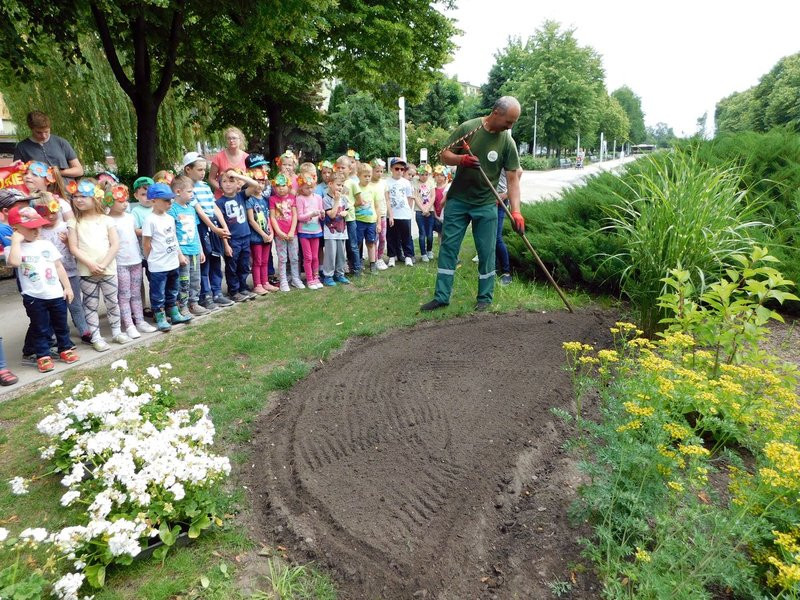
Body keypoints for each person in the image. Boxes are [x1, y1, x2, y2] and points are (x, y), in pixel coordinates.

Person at [420, 96, 525, 312]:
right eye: (508, 121)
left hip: (486, 204)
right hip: (458, 201)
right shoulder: (469, 128)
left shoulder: (507, 142)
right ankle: (441, 297)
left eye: (513, 123)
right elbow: (444, 155)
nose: (510, 127)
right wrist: (462, 160)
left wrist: (516, 212)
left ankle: (485, 297)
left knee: (487, 251)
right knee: (448, 248)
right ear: (496, 113)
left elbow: (513, 180)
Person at [5, 205, 79, 372]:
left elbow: (58, 266)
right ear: (16, 229)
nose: (36, 230)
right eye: (30, 227)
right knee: (40, 327)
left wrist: (67, 287)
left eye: (38, 226)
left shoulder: (46, 244)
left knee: (61, 324)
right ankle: (42, 355)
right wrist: (16, 241)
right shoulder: (14, 248)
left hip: (55, 294)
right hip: (34, 297)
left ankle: (64, 348)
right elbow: (15, 262)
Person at [67, 179, 130, 351]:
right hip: (87, 272)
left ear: (95, 197)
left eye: (83, 196)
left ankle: (117, 332)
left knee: (112, 302)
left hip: (108, 270)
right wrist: (91, 264)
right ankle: (96, 337)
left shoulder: (106, 220)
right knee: (90, 305)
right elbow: (73, 247)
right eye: (75, 196)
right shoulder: (74, 222)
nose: (78, 199)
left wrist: (103, 264)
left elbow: (115, 244)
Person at [33, 192, 92, 344]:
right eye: (45, 214)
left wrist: (67, 242)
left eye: (53, 211)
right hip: (50, 276)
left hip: (70, 272)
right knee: (55, 307)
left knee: (75, 303)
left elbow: (76, 248)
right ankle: (55, 336)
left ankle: (84, 329)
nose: (51, 216)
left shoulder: (65, 227)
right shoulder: (38, 232)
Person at [181, 151, 232, 309]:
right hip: (201, 227)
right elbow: (199, 211)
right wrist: (214, 228)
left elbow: (213, 206)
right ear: (188, 169)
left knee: (216, 259)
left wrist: (223, 225)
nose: (203, 173)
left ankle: (217, 292)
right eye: (200, 169)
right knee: (205, 262)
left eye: (204, 169)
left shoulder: (204, 186)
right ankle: (205, 295)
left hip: (213, 225)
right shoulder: (187, 190)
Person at [142, 183, 191, 331]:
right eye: (166, 200)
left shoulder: (169, 218)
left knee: (172, 289)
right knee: (158, 292)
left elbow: (174, 238)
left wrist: (179, 255)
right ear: (153, 201)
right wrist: (151, 259)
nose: (170, 203)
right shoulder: (150, 220)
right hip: (158, 265)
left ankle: (173, 312)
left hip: (172, 263)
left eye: (170, 199)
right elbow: (146, 243)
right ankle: (160, 316)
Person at [107, 184, 155, 338]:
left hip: (136, 260)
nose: (125, 204)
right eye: (120, 201)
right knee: (124, 295)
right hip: (120, 262)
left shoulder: (130, 217)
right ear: (109, 201)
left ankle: (140, 321)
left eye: (125, 200)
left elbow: (136, 234)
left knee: (136, 294)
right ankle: (129, 324)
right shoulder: (108, 220)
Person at [169, 175, 208, 315]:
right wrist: (179, 254)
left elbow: (196, 231)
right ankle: (183, 306)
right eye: (190, 191)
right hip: (183, 252)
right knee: (184, 280)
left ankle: (194, 303)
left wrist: (201, 250)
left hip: (195, 250)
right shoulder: (172, 210)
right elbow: (172, 234)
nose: (192, 194)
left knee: (195, 279)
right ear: (178, 192)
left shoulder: (191, 209)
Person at [217, 170, 258, 302]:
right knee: (232, 266)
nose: (228, 184)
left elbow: (255, 185)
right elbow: (221, 227)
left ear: (237, 184)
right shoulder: (219, 203)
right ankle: (234, 290)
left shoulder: (241, 196)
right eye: (224, 181)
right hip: (232, 240)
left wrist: (237, 175)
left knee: (244, 265)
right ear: (220, 185)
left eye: (231, 181)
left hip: (245, 237)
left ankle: (243, 287)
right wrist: (226, 245)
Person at [13, 111, 84, 178]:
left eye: (46, 131)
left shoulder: (61, 142)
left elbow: (79, 170)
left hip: (66, 186)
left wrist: (57, 173)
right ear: (31, 129)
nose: (43, 136)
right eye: (39, 132)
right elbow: (17, 174)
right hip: (38, 186)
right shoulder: (22, 147)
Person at [244, 156, 277, 295]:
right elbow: (251, 220)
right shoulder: (250, 200)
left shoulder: (265, 199)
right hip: (256, 237)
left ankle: (265, 282)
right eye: (257, 182)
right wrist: (263, 234)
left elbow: (269, 217)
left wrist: (271, 233)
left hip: (267, 235)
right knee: (257, 261)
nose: (259, 185)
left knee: (265, 260)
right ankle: (257, 284)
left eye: (262, 182)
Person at [269, 173, 302, 292]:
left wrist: (292, 231)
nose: (281, 188)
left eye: (283, 185)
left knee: (294, 258)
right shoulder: (272, 199)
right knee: (282, 259)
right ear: (274, 187)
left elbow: (295, 215)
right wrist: (278, 232)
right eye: (278, 186)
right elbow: (272, 217)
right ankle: (283, 280)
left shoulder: (292, 198)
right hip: (280, 235)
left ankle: (295, 278)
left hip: (293, 234)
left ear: (288, 186)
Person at [295, 173, 325, 289]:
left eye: (312, 187)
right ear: (301, 187)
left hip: (316, 231)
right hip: (304, 232)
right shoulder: (300, 199)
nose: (310, 190)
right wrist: (310, 214)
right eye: (307, 188)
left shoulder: (317, 198)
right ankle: (309, 279)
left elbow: (321, 215)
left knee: (315, 256)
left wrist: (322, 214)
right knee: (308, 257)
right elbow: (299, 217)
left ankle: (316, 277)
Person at [321, 173, 350, 286]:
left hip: (342, 232)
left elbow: (347, 210)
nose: (340, 187)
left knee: (341, 254)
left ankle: (340, 274)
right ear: (330, 184)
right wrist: (337, 201)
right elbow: (332, 215)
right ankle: (328, 276)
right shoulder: (326, 199)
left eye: (342, 185)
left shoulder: (344, 198)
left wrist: (346, 212)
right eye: (338, 185)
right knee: (330, 255)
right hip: (330, 233)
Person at [386, 157, 415, 267]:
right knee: (391, 236)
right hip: (392, 214)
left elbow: (409, 197)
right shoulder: (387, 182)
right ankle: (392, 256)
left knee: (406, 236)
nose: (399, 171)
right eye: (397, 169)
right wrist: (390, 214)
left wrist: (409, 211)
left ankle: (408, 256)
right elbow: (387, 199)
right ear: (391, 169)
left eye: (402, 169)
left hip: (404, 214)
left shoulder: (406, 182)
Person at [353, 163, 380, 273]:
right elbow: (351, 204)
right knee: (358, 242)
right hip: (359, 220)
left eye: (369, 176)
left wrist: (378, 223)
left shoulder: (373, 189)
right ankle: (358, 263)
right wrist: (358, 203)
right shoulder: (355, 188)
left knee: (371, 242)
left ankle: (373, 264)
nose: (368, 178)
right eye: (365, 176)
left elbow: (377, 206)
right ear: (358, 175)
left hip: (371, 221)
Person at [208, 127, 249, 199]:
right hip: (222, 197)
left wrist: (243, 184)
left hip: (241, 196)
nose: (231, 140)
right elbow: (211, 179)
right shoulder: (218, 157)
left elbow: (250, 177)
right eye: (229, 138)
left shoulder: (247, 157)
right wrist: (223, 189)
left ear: (240, 140)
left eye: (234, 138)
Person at [368, 159, 389, 270]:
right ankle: (374, 259)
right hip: (372, 216)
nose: (379, 173)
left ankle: (380, 257)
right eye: (377, 171)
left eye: (381, 171)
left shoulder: (384, 183)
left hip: (383, 214)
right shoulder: (368, 183)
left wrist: (390, 214)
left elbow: (387, 199)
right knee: (374, 239)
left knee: (382, 238)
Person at [495, 169, 513, 286]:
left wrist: (506, 194)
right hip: (486, 199)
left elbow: (519, 172)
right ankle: (494, 269)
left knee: (497, 237)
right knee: (489, 238)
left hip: (500, 200)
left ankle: (506, 273)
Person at [414, 164, 435, 262]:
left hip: (430, 211)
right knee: (422, 233)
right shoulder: (415, 183)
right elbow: (416, 197)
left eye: (426, 174)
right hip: (419, 212)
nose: (424, 176)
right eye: (422, 174)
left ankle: (429, 250)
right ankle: (423, 254)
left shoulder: (431, 182)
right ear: (418, 174)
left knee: (430, 234)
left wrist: (428, 208)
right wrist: (423, 209)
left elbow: (433, 196)